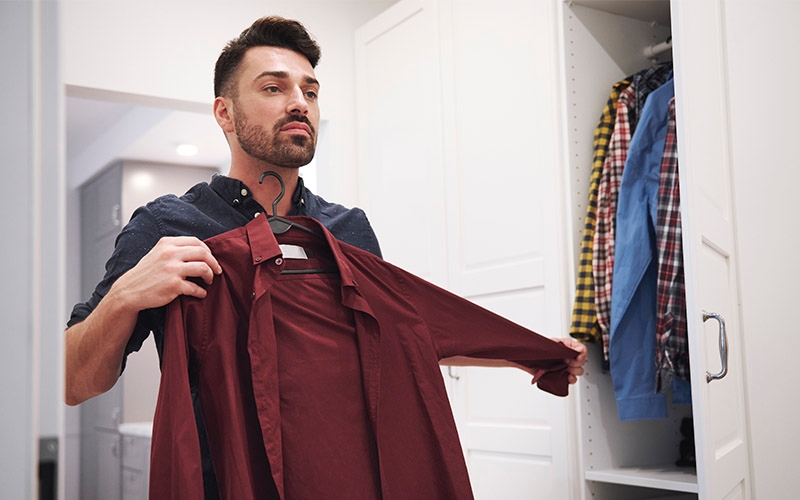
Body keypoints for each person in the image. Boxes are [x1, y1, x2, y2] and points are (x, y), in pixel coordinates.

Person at [65, 15, 587, 499]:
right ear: (224, 112)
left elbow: (403, 336)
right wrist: (125, 296)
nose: (300, 103)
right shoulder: (167, 227)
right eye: (274, 88)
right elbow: (71, 382)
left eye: (310, 91)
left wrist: (534, 353)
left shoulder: (347, 230)